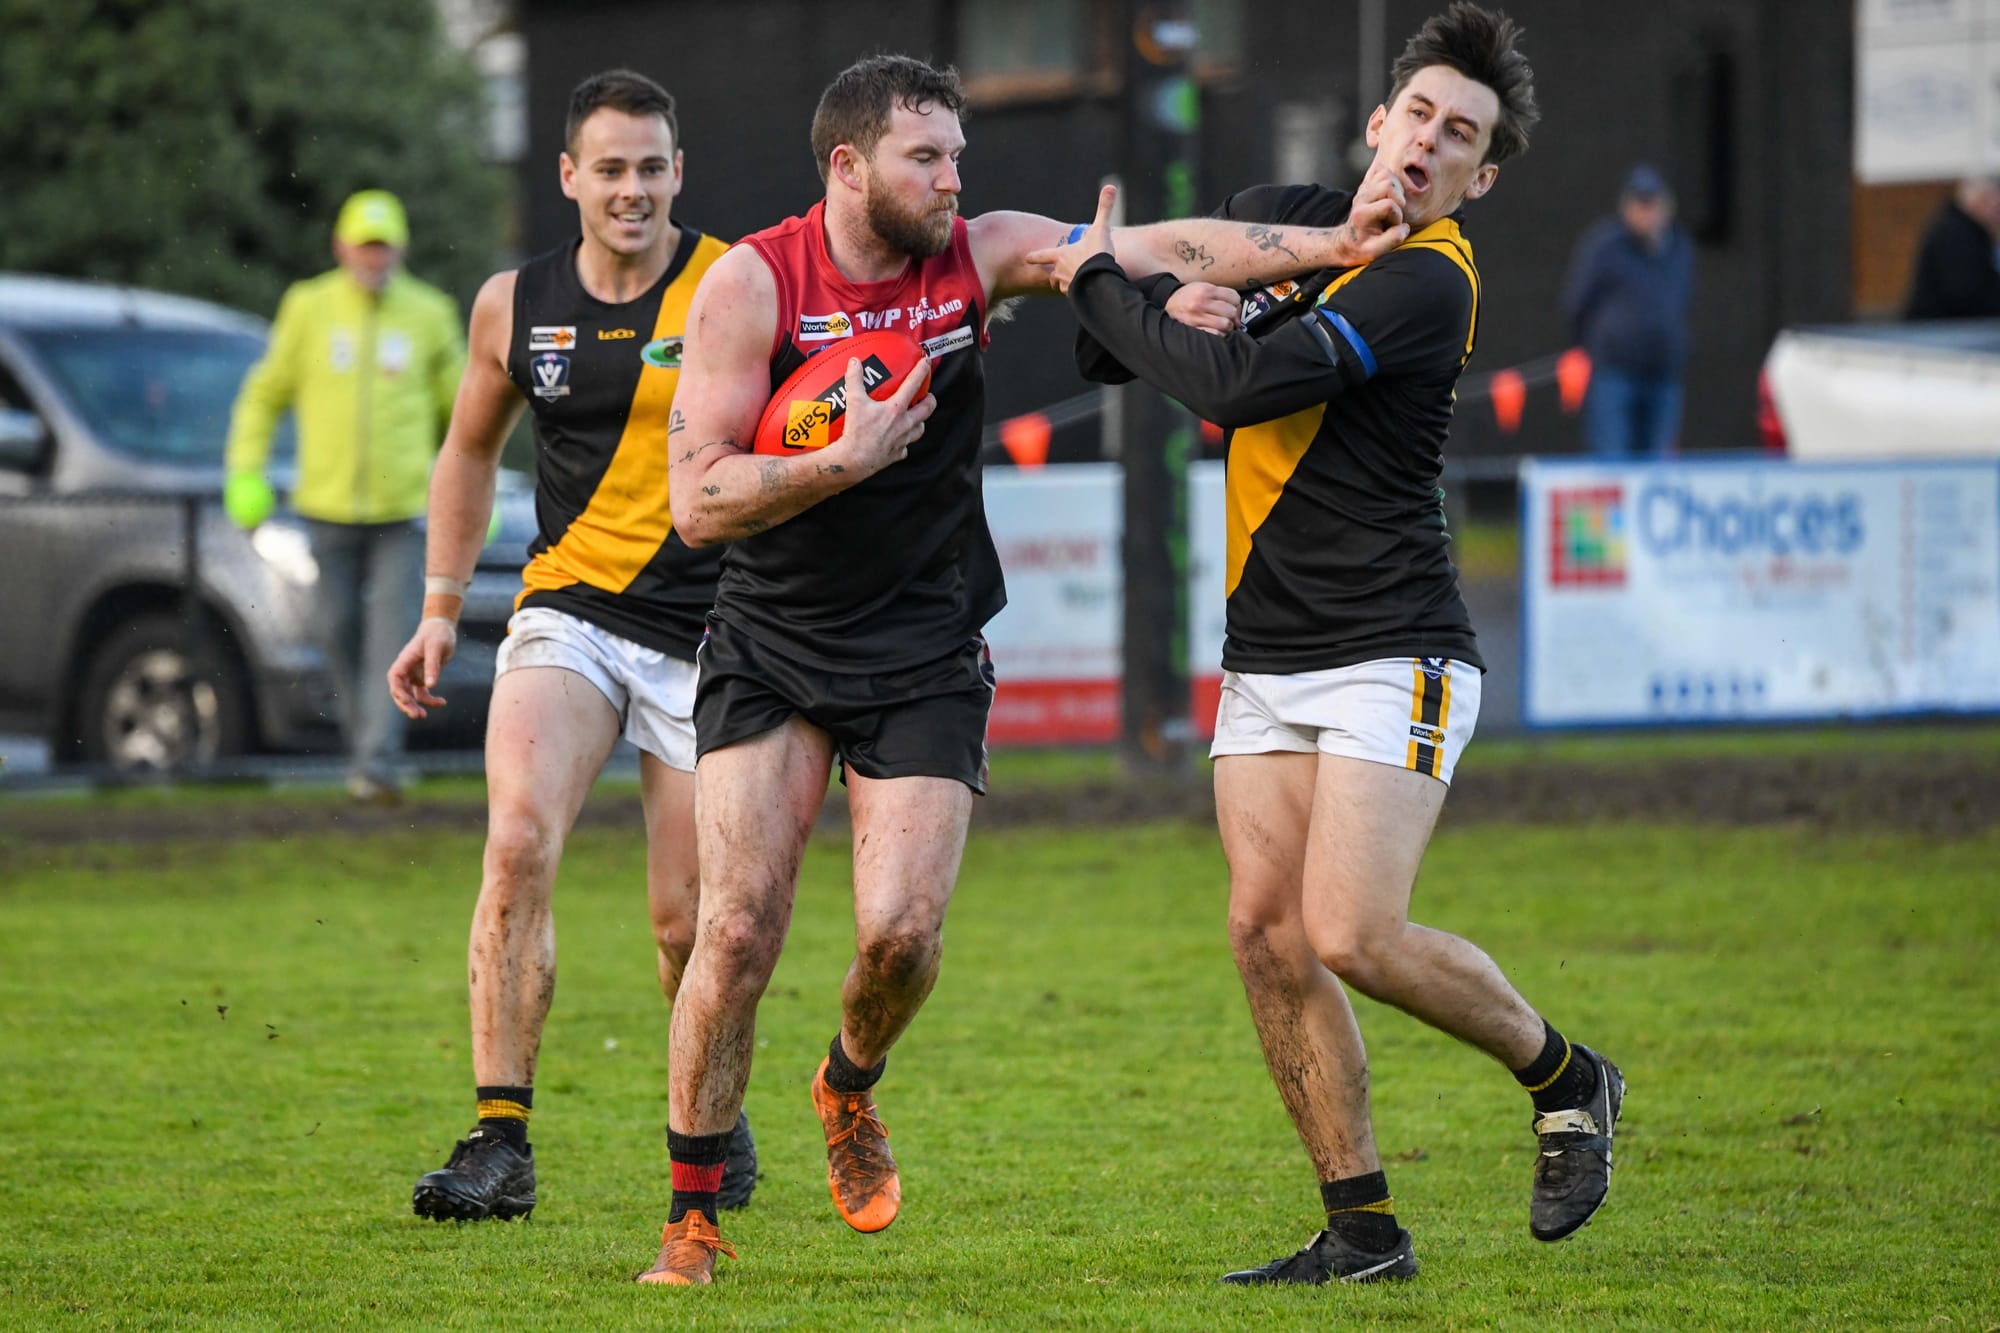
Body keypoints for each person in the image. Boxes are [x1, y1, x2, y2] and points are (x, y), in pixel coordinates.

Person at [636, 53, 1413, 1285]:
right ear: (846, 167)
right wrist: (841, 461)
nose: (953, 179)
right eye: (924, 158)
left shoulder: (976, 251)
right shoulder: (749, 284)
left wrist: (1328, 247)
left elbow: (1161, 247)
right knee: (734, 928)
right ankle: (690, 1218)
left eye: (956, 156)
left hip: (926, 645)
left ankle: (846, 1082)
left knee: (901, 940)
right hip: (772, 645)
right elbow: (696, 502)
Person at [1038, 2, 1624, 1286]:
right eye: (1416, 113)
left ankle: (1570, 1078)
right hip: (1266, 656)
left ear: (1479, 174)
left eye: (1457, 136)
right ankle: (1360, 1228)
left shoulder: (1429, 278)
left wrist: (1098, 273)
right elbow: (1110, 351)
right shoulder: (1283, 218)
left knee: (1353, 930)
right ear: (1377, 120)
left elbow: (1232, 387)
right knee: (1265, 935)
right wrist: (1158, 297)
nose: (1426, 144)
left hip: (1389, 651)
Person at [385, 70, 756, 1224]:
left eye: (651, 167)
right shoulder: (514, 302)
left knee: (688, 920)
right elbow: (464, 452)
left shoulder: (734, 283)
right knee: (515, 841)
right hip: (570, 615)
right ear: (568, 178)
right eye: (609, 169)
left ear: (678, 172)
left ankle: (714, 1114)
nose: (631, 189)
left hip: (710, 635)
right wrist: (442, 604)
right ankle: (501, 1140)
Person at [225, 189, 465, 804]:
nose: (374, 257)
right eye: (364, 245)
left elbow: (466, 416)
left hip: (405, 512)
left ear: (401, 249)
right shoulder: (307, 307)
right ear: (341, 246)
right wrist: (245, 472)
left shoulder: (430, 313)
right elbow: (264, 394)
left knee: (390, 639)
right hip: (325, 506)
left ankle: (375, 766)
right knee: (336, 630)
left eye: (384, 245)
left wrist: (466, 496)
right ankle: (368, 753)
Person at [1561, 163, 1693, 459]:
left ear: (1667, 206)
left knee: (1658, 461)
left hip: (1664, 373)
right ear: (1626, 207)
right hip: (1614, 373)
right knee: (1613, 462)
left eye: (1653, 203)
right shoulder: (1604, 246)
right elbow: (1576, 305)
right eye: (1640, 203)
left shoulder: (1680, 247)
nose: (1647, 212)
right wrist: (1597, 346)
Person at [1903, 176, 2000, 321]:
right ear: (1981, 201)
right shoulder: (1955, 234)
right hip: (1938, 328)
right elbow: (1965, 292)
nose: (1996, 214)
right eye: (1996, 205)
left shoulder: (1967, 231)